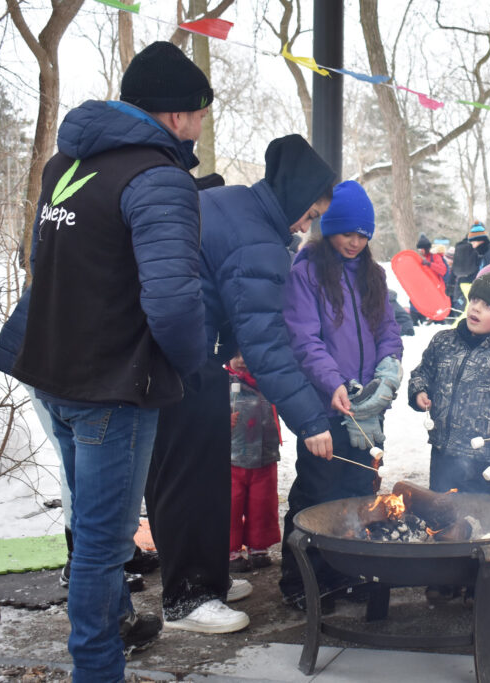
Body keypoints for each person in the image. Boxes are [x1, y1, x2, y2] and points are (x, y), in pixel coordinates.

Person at [5, 41, 210, 679]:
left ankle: (117, 618)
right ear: (176, 113)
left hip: (51, 370)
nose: (201, 125)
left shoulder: (66, 163)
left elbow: (40, 262)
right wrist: (194, 363)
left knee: (89, 522)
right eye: (200, 112)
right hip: (110, 387)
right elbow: (173, 302)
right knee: (103, 541)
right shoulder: (159, 178)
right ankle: (96, 667)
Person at [146, 134, 336, 634]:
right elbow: (266, 344)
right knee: (188, 478)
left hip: (181, 353)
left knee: (202, 471)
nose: (306, 226)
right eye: (310, 214)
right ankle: (187, 597)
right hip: (177, 358)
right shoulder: (259, 239)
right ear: (295, 196)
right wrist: (310, 420)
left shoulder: (237, 204)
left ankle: (206, 576)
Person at [280, 180, 403, 610]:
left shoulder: (374, 275)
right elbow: (304, 339)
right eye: (347, 233)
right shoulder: (307, 272)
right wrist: (332, 381)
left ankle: (345, 573)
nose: (355, 242)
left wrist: (388, 370)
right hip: (324, 404)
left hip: (367, 407)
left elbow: (388, 330)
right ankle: (301, 581)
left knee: (359, 489)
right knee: (317, 492)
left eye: (363, 235)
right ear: (329, 228)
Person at [408, 261, 490, 497]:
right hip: (442, 452)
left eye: (488, 306)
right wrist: (419, 391)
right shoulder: (443, 342)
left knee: (476, 514)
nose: (476, 309)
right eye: (475, 300)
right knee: (440, 507)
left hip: (484, 462)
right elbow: (422, 373)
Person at [226, 353, 281, 573]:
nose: (241, 360)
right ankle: (230, 549)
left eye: (246, 354)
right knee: (230, 505)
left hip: (265, 454)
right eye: (235, 355)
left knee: (263, 503)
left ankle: (258, 546)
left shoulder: (269, 381)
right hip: (232, 458)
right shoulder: (222, 382)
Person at [447, 222, 490, 314]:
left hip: (480, 294)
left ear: (481, 240)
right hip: (468, 292)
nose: (472, 244)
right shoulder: (472, 253)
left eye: (473, 242)